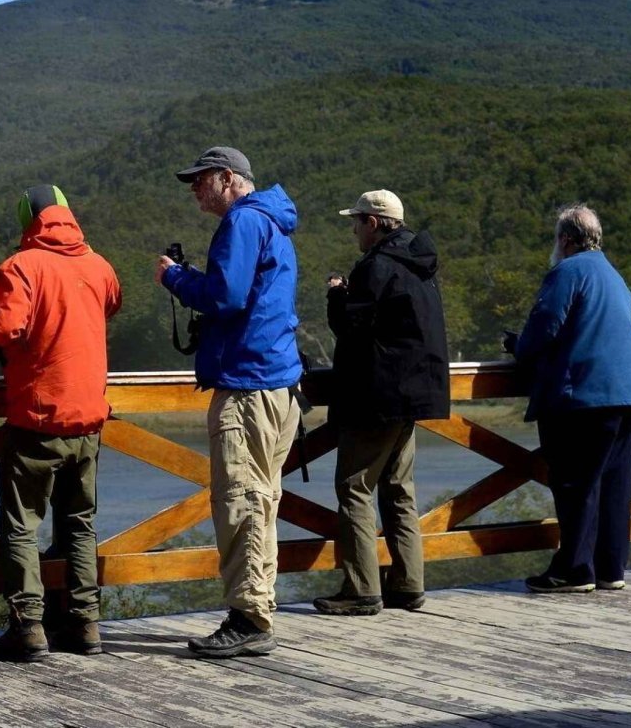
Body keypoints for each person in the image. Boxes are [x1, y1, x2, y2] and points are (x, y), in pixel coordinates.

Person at [155, 146, 303, 659]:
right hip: (277, 382)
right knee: (262, 500)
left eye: (199, 180)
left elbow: (225, 296)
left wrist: (176, 277)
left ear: (226, 178)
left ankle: (249, 616)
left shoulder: (243, 223)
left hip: (246, 385)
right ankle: (256, 607)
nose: (194, 189)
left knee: (241, 501)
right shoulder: (273, 222)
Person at [0, 185, 122, 662]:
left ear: (29, 220)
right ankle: (85, 624)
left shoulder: (20, 267)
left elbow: (2, 329)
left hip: (36, 418)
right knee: (80, 524)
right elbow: (113, 302)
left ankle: (28, 627)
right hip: (89, 420)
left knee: (23, 526)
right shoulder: (99, 265)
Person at [313, 189, 450, 616]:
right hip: (414, 395)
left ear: (373, 223)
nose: (353, 229)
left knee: (353, 487)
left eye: (356, 221)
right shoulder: (421, 266)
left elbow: (350, 328)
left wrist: (337, 292)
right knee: (397, 489)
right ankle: (408, 584)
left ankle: (361, 589)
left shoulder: (377, 267)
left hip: (377, 395)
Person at [509, 203, 631, 593]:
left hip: (585, 392)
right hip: (628, 390)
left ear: (566, 240)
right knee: (613, 483)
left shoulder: (567, 271)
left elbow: (545, 325)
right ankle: (610, 568)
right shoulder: (614, 276)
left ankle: (573, 570)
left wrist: (519, 348)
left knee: (575, 482)